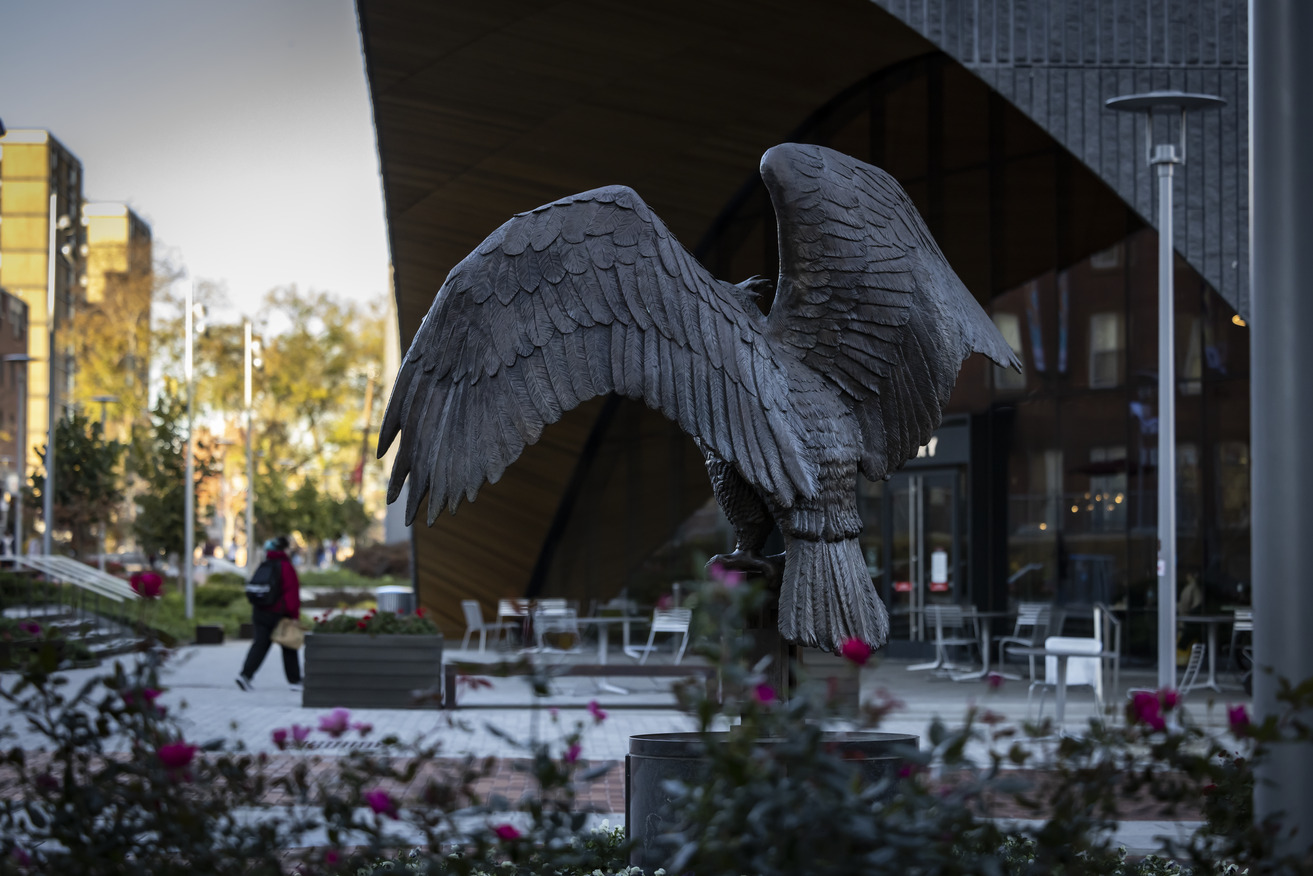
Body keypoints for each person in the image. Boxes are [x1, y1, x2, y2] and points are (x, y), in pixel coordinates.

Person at [236, 536, 302, 692]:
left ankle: (245, 675)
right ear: (284, 549)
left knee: (260, 645)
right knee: (289, 646)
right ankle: (295, 680)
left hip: (260, 612)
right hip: (280, 613)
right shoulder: (286, 566)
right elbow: (291, 593)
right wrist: (294, 616)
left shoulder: (264, 565)